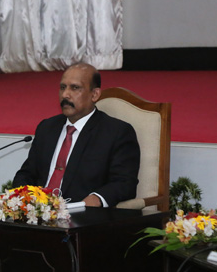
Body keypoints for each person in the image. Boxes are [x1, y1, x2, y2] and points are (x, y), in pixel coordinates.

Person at [12, 63, 140, 207]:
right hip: (38, 214)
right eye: (62, 87)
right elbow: (26, 174)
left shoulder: (116, 132)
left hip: (82, 217)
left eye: (75, 88)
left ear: (95, 94)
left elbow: (125, 183)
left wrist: (96, 199)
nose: (65, 94)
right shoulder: (47, 128)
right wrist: (25, 198)